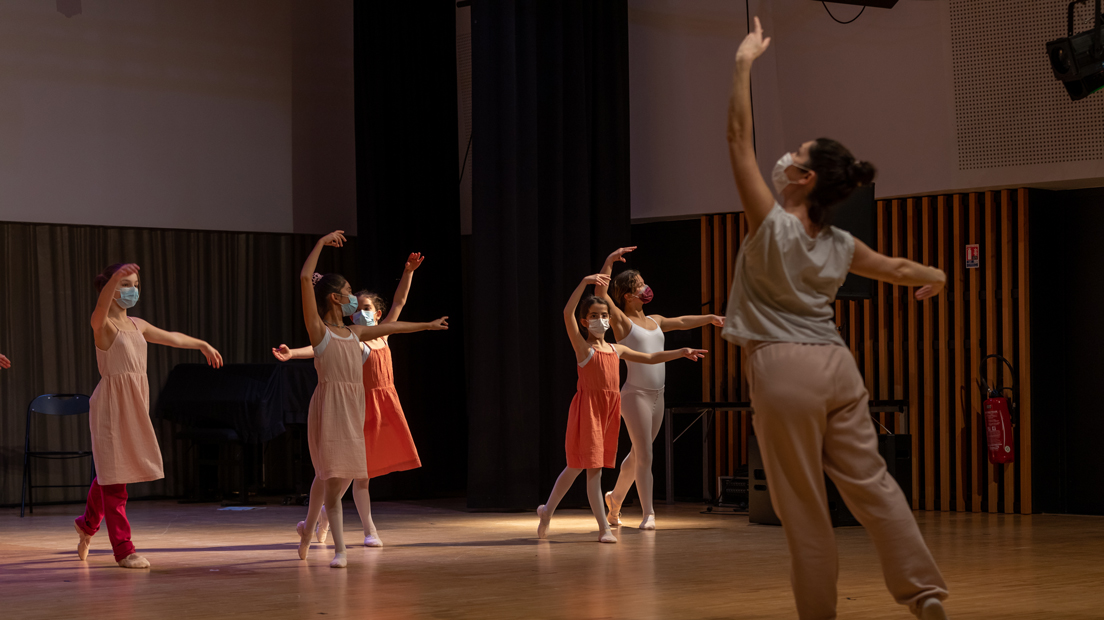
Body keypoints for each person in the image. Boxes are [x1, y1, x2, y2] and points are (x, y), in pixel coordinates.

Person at [723, 18, 950, 620]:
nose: (783, 158)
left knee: (803, 510)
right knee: (875, 488)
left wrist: (745, 62)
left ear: (804, 179)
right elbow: (900, 268)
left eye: (794, 156)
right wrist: (941, 278)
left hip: (783, 369)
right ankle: (924, 594)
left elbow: (737, 138)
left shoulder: (770, 225)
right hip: (838, 368)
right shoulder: (842, 245)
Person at [294, 232, 447, 567]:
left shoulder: (357, 333)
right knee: (328, 476)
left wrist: (428, 325)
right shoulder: (320, 331)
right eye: (349, 293)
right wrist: (321, 242)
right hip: (329, 408)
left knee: (338, 480)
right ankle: (337, 549)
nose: (352, 298)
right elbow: (306, 278)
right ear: (335, 299)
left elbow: (398, 319)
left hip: (354, 410)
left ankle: (308, 530)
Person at [537, 273, 707, 543]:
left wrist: (681, 351)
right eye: (594, 316)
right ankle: (603, 528)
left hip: (609, 411)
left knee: (576, 468)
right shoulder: (583, 349)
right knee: (591, 469)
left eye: (604, 315)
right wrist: (583, 282)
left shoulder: (616, 349)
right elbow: (567, 311)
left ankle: (547, 510)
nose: (601, 320)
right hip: (588, 411)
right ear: (585, 321)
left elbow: (651, 357)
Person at [75, 262, 223, 569]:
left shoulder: (137, 325)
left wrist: (202, 344)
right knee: (116, 482)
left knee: (112, 473)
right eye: (126, 284)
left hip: (134, 404)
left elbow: (171, 337)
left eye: (135, 284)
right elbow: (101, 307)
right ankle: (124, 549)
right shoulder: (103, 325)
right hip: (112, 407)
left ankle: (87, 524)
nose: (133, 290)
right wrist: (113, 278)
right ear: (112, 289)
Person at [594, 246, 725, 530]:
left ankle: (615, 499)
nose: (646, 288)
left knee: (640, 453)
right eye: (640, 285)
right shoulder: (622, 322)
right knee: (646, 455)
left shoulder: (655, 321)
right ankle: (648, 513)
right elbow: (601, 294)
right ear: (629, 295)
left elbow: (680, 321)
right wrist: (608, 261)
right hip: (635, 395)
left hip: (658, 396)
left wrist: (710, 318)